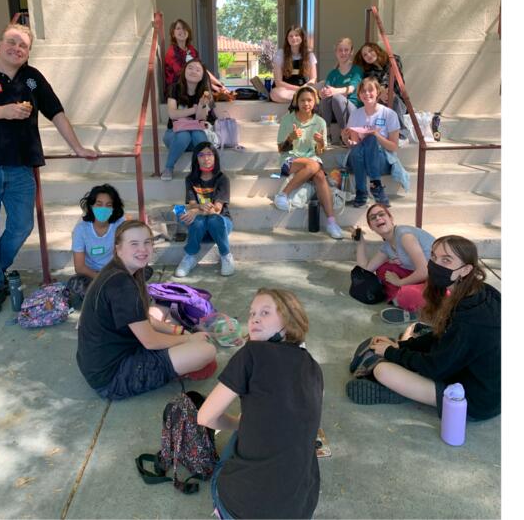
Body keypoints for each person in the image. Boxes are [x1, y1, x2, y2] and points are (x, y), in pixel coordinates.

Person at [0, 23, 98, 315]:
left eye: (23, 46)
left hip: (21, 167)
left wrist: (78, 147)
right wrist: (1, 112)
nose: (17, 48)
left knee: (22, 226)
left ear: (28, 53)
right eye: (12, 42)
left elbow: (56, 112)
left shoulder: (32, 78)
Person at [198, 288, 323, 520]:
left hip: (241, 509)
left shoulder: (251, 354)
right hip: (300, 510)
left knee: (239, 429)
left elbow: (205, 417)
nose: (254, 318)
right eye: (252, 313)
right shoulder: (313, 367)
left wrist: (237, 424)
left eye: (265, 312)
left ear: (289, 320)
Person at [346, 235, 501, 422]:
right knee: (414, 330)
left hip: (472, 401)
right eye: (434, 257)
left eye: (446, 260)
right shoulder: (481, 291)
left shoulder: (470, 322)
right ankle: (407, 383)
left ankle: (404, 390)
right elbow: (442, 336)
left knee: (383, 371)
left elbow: (435, 367)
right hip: (466, 371)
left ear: (466, 269)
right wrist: (402, 346)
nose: (435, 264)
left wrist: (391, 353)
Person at [76, 220, 216, 401]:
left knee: (162, 307)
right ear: (118, 249)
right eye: (134, 244)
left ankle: (179, 353)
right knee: (207, 351)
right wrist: (188, 338)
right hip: (113, 378)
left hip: (101, 362)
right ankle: (178, 364)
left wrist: (178, 331)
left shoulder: (119, 270)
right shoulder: (122, 285)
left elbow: (144, 319)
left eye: (147, 242)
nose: (142, 249)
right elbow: (150, 342)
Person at [273, 85, 344, 239]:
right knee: (314, 165)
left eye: (309, 100)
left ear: (315, 102)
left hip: (312, 159)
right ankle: (282, 195)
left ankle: (331, 222)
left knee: (319, 175)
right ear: (296, 102)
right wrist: (290, 138)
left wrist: (320, 143)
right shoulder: (287, 119)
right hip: (290, 159)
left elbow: (320, 151)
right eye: (302, 100)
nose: (306, 103)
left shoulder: (320, 122)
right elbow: (280, 149)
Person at [356, 204, 433, 318]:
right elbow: (365, 270)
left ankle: (408, 301)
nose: (378, 218)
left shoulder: (404, 236)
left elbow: (424, 272)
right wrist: (360, 242)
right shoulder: (387, 246)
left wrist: (399, 282)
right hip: (423, 279)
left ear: (391, 218)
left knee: (406, 293)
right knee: (383, 269)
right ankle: (408, 301)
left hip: (438, 280)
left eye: (381, 214)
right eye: (373, 218)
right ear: (371, 227)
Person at [174, 142, 235, 277]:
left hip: (220, 226)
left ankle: (226, 255)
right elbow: (192, 204)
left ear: (215, 157)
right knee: (197, 221)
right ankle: (189, 257)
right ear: (196, 158)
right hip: (200, 231)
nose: (206, 158)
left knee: (213, 219)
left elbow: (216, 209)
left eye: (209, 154)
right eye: (201, 155)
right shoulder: (191, 179)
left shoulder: (222, 179)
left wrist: (196, 210)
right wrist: (196, 209)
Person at [343, 77, 405, 208]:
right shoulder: (355, 114)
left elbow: (394, 147)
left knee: (371, 139)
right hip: (359, 158)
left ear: (378, 92)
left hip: (381, 160)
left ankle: (370, 187)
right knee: (358, 149)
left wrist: (376, 135)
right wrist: (345, 139)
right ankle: (366, 191)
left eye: (370, 90)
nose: (366, 94)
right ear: (359, 95)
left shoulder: (389, 114)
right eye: (363, 91)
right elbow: (354, 145)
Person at [162, 60, 216, 181]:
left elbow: (201, 119)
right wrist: (194, 109)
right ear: (184, 71)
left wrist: (202, 105)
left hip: (194, 140)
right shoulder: (174, 88)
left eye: (198, 70)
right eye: (190, 68)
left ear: (202, 76)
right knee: (184, 135)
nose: (193, 71)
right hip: (174, 135)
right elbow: (173, 114)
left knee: (198, 134)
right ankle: (169, 167)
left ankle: (207, 170)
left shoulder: (205, 94)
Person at [69, 184, 127, 290]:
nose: (103, 209)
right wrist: (102, 278)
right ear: (91, 206)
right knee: (76, 284)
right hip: (91, 274)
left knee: (138, 271)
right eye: (99, 204)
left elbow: (128, 252)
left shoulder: (120, 224)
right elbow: (79, 267)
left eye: (108, 205)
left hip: (115, 271)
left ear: (114, 208)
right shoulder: (81, 230)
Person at [355, 41, 408, 139]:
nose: (368, 55)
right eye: (365, 55)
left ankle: (400, 134)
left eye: (370, 51)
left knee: (391, 94)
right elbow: (371, 87)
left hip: (398, 104)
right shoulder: (369, 72)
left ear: (377, 50)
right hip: (381, 101)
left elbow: (388, 76)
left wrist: (382, 90)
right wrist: (380, 94)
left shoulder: (394, 59)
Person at [164, 18, 227, 97]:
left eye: (184, 28)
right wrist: (211, 86)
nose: (182, 31)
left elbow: (202, 70)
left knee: (219, 88)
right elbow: (184, 75)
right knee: (210, 90)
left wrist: (219, 84)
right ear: (173, 34)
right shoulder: (172, 52)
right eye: (178, 28)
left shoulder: (192, 50)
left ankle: (221, 91)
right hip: (177, 90)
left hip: (193, 84)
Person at [317, 37, 363, 144]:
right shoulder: (333, 73)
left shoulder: (357, 70)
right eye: (340, 50)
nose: (343, 53)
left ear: (351, 52)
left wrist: (335, 91)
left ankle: (345, 134)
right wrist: (322, 93)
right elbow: (327, 90)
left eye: (346, 50)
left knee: (337, 97)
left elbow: (351, 89)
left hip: (353, 109)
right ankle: (327, 134)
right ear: (336, 53)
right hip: (335, 109)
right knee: (326, 97)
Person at [265, 25, 318, 104]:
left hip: (304, 89)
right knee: (275, 94)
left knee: (319, 86)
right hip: (285, 90)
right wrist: (298, 89)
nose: (293, 38)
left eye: (296, 35)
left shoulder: (309, 55)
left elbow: (313, 79)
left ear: (302, 37)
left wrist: (304, 88)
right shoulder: (281, 54)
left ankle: (301, 98)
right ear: (287, 39)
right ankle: (301, 99)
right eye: (291, 36)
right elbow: (278, 82)